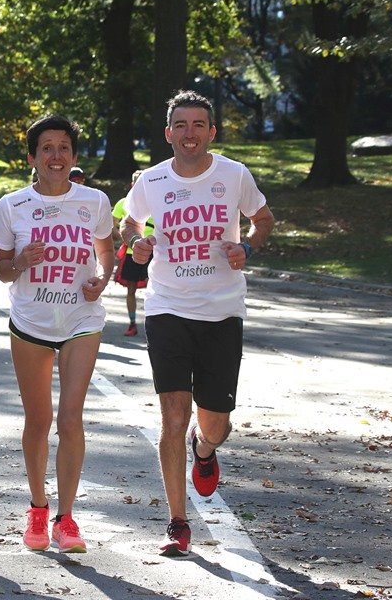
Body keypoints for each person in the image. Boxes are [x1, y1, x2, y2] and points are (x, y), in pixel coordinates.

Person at [120, 90, 275, 556]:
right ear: (169, 134)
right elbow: (129, 224)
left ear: (211, 131)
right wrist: (138, 243)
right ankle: (177, 522)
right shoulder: (151, 180)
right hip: (167, 308)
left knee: (216, 423)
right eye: (181, 126)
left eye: (198, 125)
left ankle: (203, 449)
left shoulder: (233, 175)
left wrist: (246, 247)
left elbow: (263, 219)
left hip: (222, 312)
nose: (190, 134)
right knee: (172, 416)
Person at [0, 115, 114, 554]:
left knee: (70, 418)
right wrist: (21, 262)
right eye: (47, 148)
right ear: (32, 157)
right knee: (39, 420)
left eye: (64, 147)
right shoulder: (12, 205)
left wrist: (102, 277)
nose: (56, 156)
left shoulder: (95, 201)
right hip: (31, 323)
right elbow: (2, 269)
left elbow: (105, 253)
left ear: (74, 157)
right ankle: (38, 510)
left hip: (82, 318)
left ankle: (66, 518)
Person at [111, 171, 152, 336]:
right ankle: (133, 323)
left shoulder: (157, 199)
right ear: (132, 184)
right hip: (131, 252)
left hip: (155, 252)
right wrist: (124, 238)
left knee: (155, 288)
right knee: (131, 289)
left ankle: (154, 323)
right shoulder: (124, 203)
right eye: (136, 183)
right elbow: (111, 225)